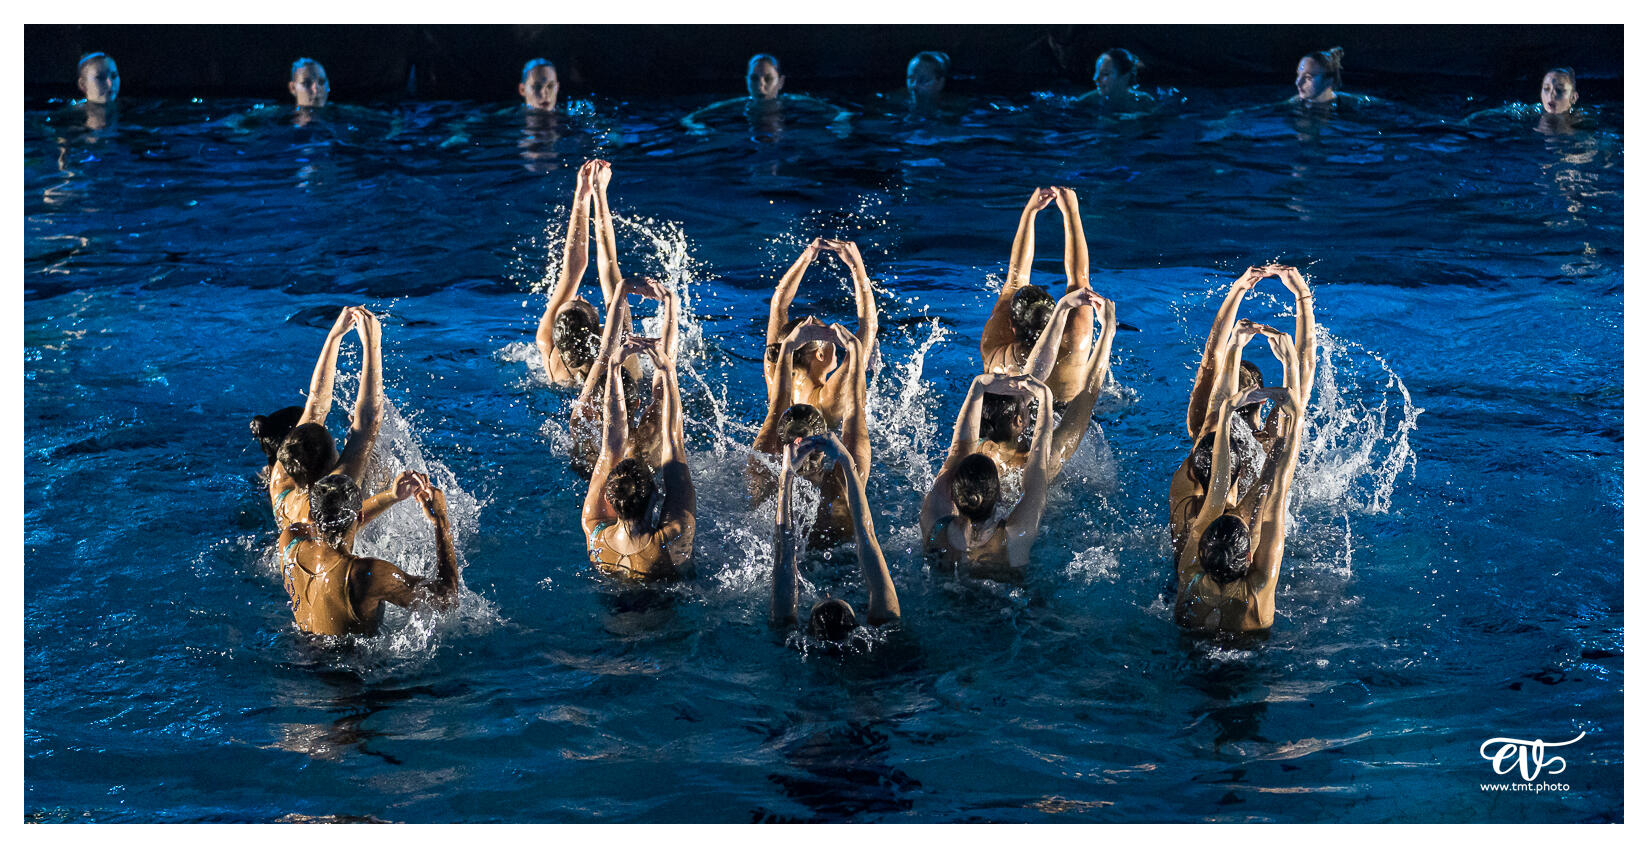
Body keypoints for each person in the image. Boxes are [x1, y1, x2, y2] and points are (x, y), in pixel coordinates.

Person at [1170, 265, 1316, 557]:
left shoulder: (1202, 442)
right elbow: (1303, 380)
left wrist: (1237, 290)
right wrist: (1302, 296)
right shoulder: (1270, 443)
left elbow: (1211, 360)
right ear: (1263, 400)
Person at [1174, 319, 1308, 634]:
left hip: (1191, 655)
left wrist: (1224, 412)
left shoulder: (1188, 577)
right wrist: (1297, 413)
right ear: (1250, 556)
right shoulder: (1257, 591)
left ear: (1201, 546)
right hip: (1250, 671)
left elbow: (1219, 494)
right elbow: (1275, 489)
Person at [278, 472, 462, 636]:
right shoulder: (365, 574)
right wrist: (441, 520)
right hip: (351, 672)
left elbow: (336, 522)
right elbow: (447, 599)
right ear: (359, 516)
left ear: (313, 514)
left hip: (304, 659)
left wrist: (391, 496)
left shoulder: (290, 540)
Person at [965, 288, 1116, 479]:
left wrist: (1063, 308)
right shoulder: (1042, 465)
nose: (1016, 373)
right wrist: (1108, 329)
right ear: (1019, 421)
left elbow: (1035, 373)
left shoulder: (968, 453)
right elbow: (1088, 392)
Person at [921, 374, 1056, 579]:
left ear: (954, 494)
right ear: (998, 495)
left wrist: (977, 386)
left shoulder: (934, 522)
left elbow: (958, 450)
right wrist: (1045, 396)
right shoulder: (1016, 535)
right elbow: (1038, 466)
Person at [582, 336, 695, 579]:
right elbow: (675, 444)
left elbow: (609, 449)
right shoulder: (673, 538)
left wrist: (613, 367)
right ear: (655, 494)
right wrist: (667, 371)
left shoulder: (594, 533)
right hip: (664, 614)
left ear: (610, 499)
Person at [263, 306, 384, 531]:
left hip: (292, 557)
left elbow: (316, 404)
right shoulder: (332, 499)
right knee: (375, 467)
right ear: (330, 468)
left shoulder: (281, 478)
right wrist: (372, 344)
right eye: (336, 447)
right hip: (332, 553)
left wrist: (335, 335)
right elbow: (369, 422)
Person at [751, 321, 871, 546]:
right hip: (841, 570)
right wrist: (855, 349)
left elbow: (776, 406)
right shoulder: (844, 484)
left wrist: (787, 347)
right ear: (825, 446)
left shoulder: (762, 474)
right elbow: (856, 410)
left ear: (779, 441)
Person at [770, 434, 900, 641]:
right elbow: (867, 535)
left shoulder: (886, 625)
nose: (828, 594)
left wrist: (786, 473)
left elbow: (783, 553)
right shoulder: (886, 629)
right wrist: (848, 463)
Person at [981, 186, 1095, 404]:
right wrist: (1071, 211)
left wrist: (1030, 211)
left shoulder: (994, 352)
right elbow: (1080, 282)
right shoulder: (1073, 344)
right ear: (1055, 323)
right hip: (1061, 430)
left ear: (1012, 328)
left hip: (1007, 430)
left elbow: (1015, 281)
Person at [569, 276, 678, 476]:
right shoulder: (650, 438)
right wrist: (671, 301)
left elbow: (604, 354)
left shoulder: (583, 427)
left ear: (595, 405)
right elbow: (666, 373)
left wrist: (622, 289)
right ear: (637, 403)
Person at [763, 238, 878, 427]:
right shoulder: (827, 399)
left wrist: (807, 255)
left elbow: (778, 304)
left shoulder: (776, 378)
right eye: (828, 334)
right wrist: (856, 266)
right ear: (820, 354)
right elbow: (868, 327)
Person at [537, 159, 629, 388]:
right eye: (583, 302)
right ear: (599, 330)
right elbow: (608, 264)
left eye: (572, 301)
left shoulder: (549, 348)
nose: (578, 296)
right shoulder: (621, 350)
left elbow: (573, 267)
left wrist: (581, 195)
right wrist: (599, 193)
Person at [681, 53, 851, 133]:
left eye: (768, 79)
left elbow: (843, 112)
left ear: (781, 82)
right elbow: (688, 118)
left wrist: (840, 121)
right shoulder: (735, 104)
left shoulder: (795, 101)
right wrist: (696, 126)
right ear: (747, 81)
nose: (761, 86)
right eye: (755, 79)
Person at [1079, 48, 1153, 112]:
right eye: (1097, 72)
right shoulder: (1087, 101)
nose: (1095, 78)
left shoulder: (1143, 102)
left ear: (1124, 77)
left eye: (1105, 74)